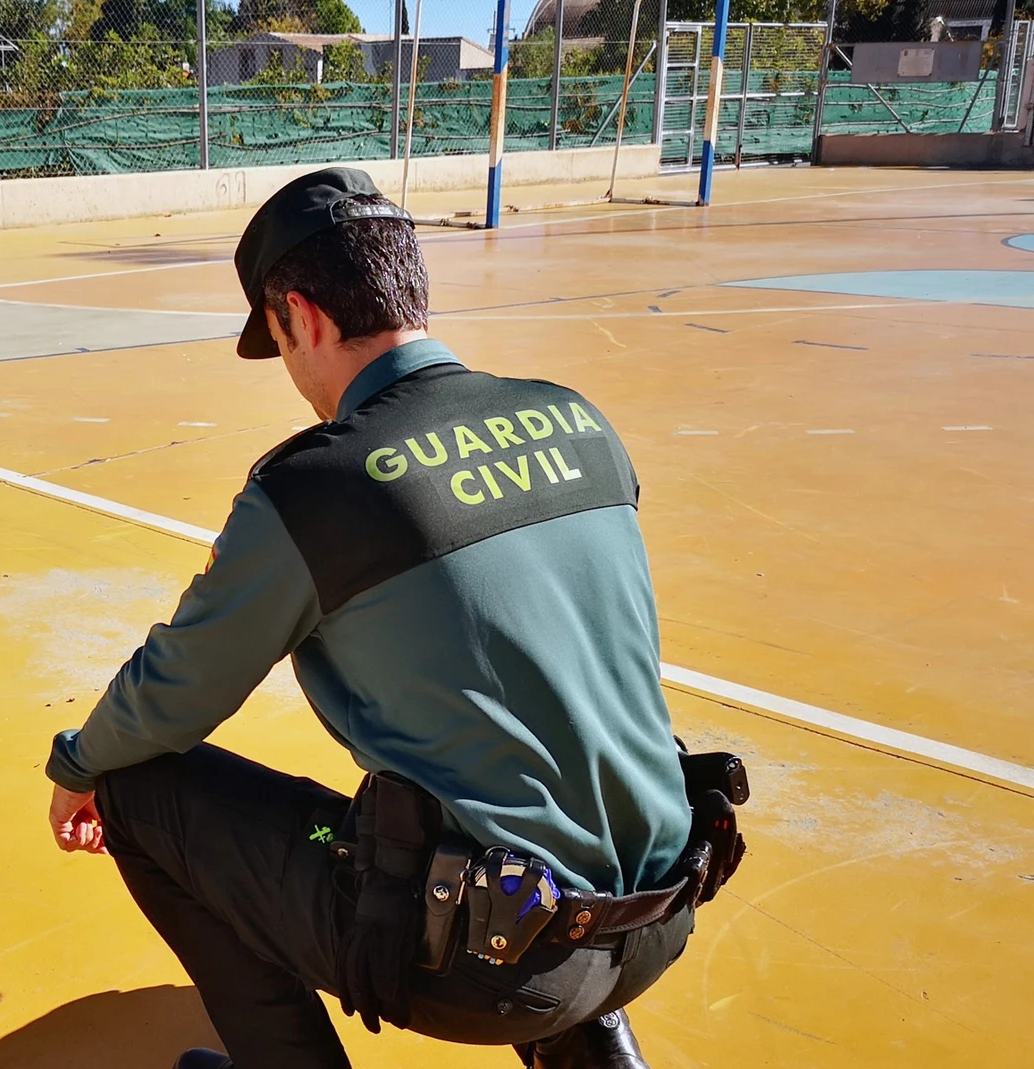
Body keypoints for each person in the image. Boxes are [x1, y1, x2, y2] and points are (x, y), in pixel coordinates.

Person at [43, 168, 729, 1069]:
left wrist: (79, 763)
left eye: (281, 341)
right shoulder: (576, 419)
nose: (291, 372)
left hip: (495, 969)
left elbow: (178, 687)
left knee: (136, 787)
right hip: (661, 913)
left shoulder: (316, 487)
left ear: (306, 317)